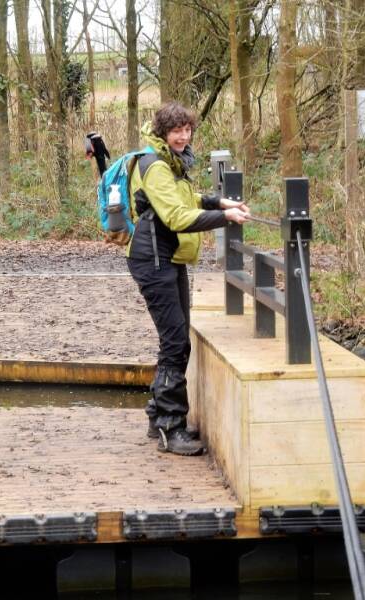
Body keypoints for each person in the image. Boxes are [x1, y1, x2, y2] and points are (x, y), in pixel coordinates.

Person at [127, 101, 249, 456]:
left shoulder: (170, 161)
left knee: (176, 338)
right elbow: (177, 216)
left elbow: (186, 197)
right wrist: (226, 219)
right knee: (175, 340)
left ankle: (158, 416)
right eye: (176, 131)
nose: (183, 137)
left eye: (187, 130)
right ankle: (170, 427)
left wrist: (218, 203)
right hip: (152, 260)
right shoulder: (155, 165)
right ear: (163, 132)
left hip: (169, 257)